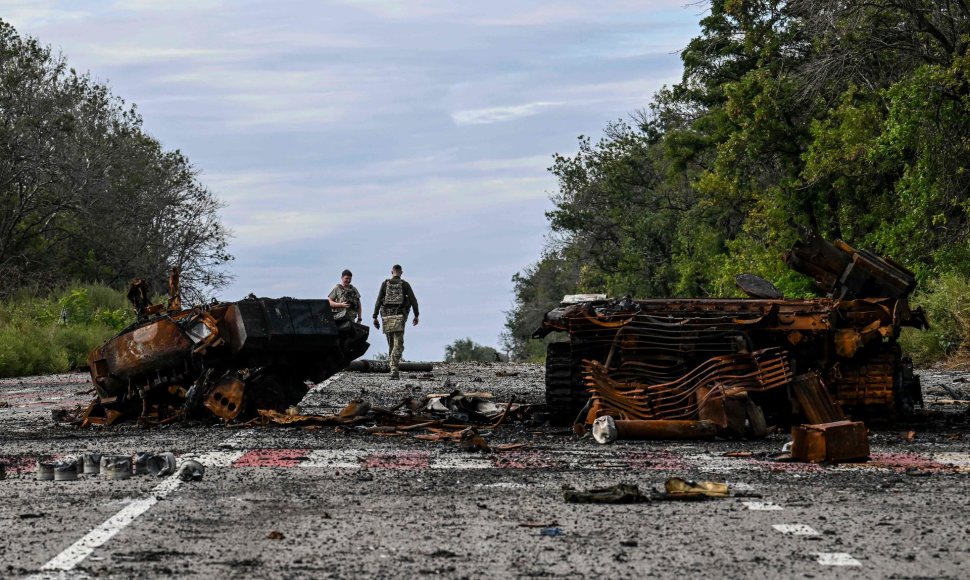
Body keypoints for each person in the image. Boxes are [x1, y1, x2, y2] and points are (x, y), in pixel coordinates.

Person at [372, 264, 419, 379]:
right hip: (400, 316)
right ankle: (394, 369)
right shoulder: (405, 284)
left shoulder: (385, 284)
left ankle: (392, 366)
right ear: (401, 272)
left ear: (391, 272)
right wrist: (416, 315)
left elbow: (378, 300)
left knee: (391, 343)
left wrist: (375, 316)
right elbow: (413, 300)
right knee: (398, 344)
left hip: (387, 317)